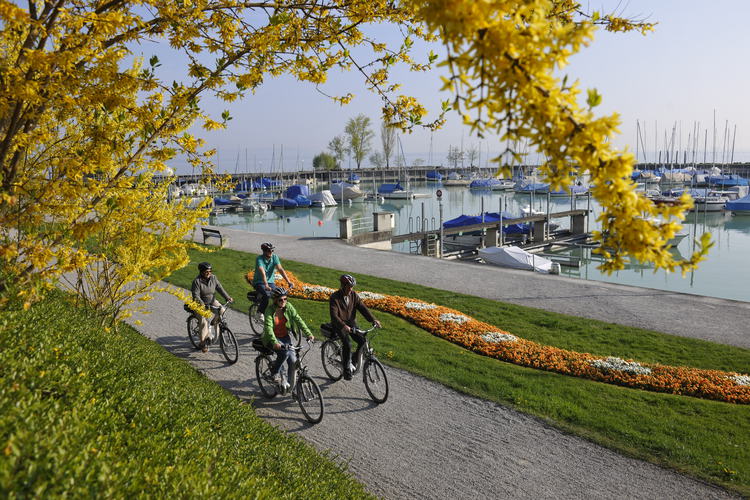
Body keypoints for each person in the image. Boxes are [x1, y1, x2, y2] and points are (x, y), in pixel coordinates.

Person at [329, 274, 381, 380]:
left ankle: (353, 359)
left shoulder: (353, 295)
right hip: (339, 325)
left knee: (362, 341)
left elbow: (362, 308)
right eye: (349, 287)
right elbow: (334, 316)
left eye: (352, 287)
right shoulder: (334, 297)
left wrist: (373, 320)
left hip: (351, 323)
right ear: (343, 286)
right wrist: (343, 326)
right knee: (347, 344)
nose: (350, 289)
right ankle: (346, 369)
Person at [261, 287, 314, 391]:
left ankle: (290, 387)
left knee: (293, 361)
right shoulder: (269, 310)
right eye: (281, 299)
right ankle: (274, 372)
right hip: (272, 338)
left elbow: (298, 319)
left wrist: (308, 333)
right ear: (275, 300)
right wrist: (274, 342)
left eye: (285, 299)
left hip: (284, 337)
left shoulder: (288, 307)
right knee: (284, 353)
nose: (283, 301)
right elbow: (268, 327)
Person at [191, 262, 233, 352]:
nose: (209, 273)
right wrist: (202, 304)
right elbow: (196, 296)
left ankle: (214, 322)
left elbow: (220, 288)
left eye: (210, 271)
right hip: (200, 305)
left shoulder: (213, 278)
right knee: (203, 322)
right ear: (201, 272)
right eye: (207, 271)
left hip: (212, 301)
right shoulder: (196, 282)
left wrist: (227, 297)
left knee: (222, 310)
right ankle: (203, 343)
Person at [252, 242, 294, 319]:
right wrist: (266, 285)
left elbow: (280, 269)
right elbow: (263, 273)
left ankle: (276, 312)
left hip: (271, 282)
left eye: (272, 250)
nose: (271, 252)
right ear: (264, 251)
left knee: (279, 295)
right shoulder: (259, 259)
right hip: (259, 282)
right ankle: (259, 312)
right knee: (266, 296)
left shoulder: (274, 257)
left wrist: (288, 281)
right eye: (269, 250)